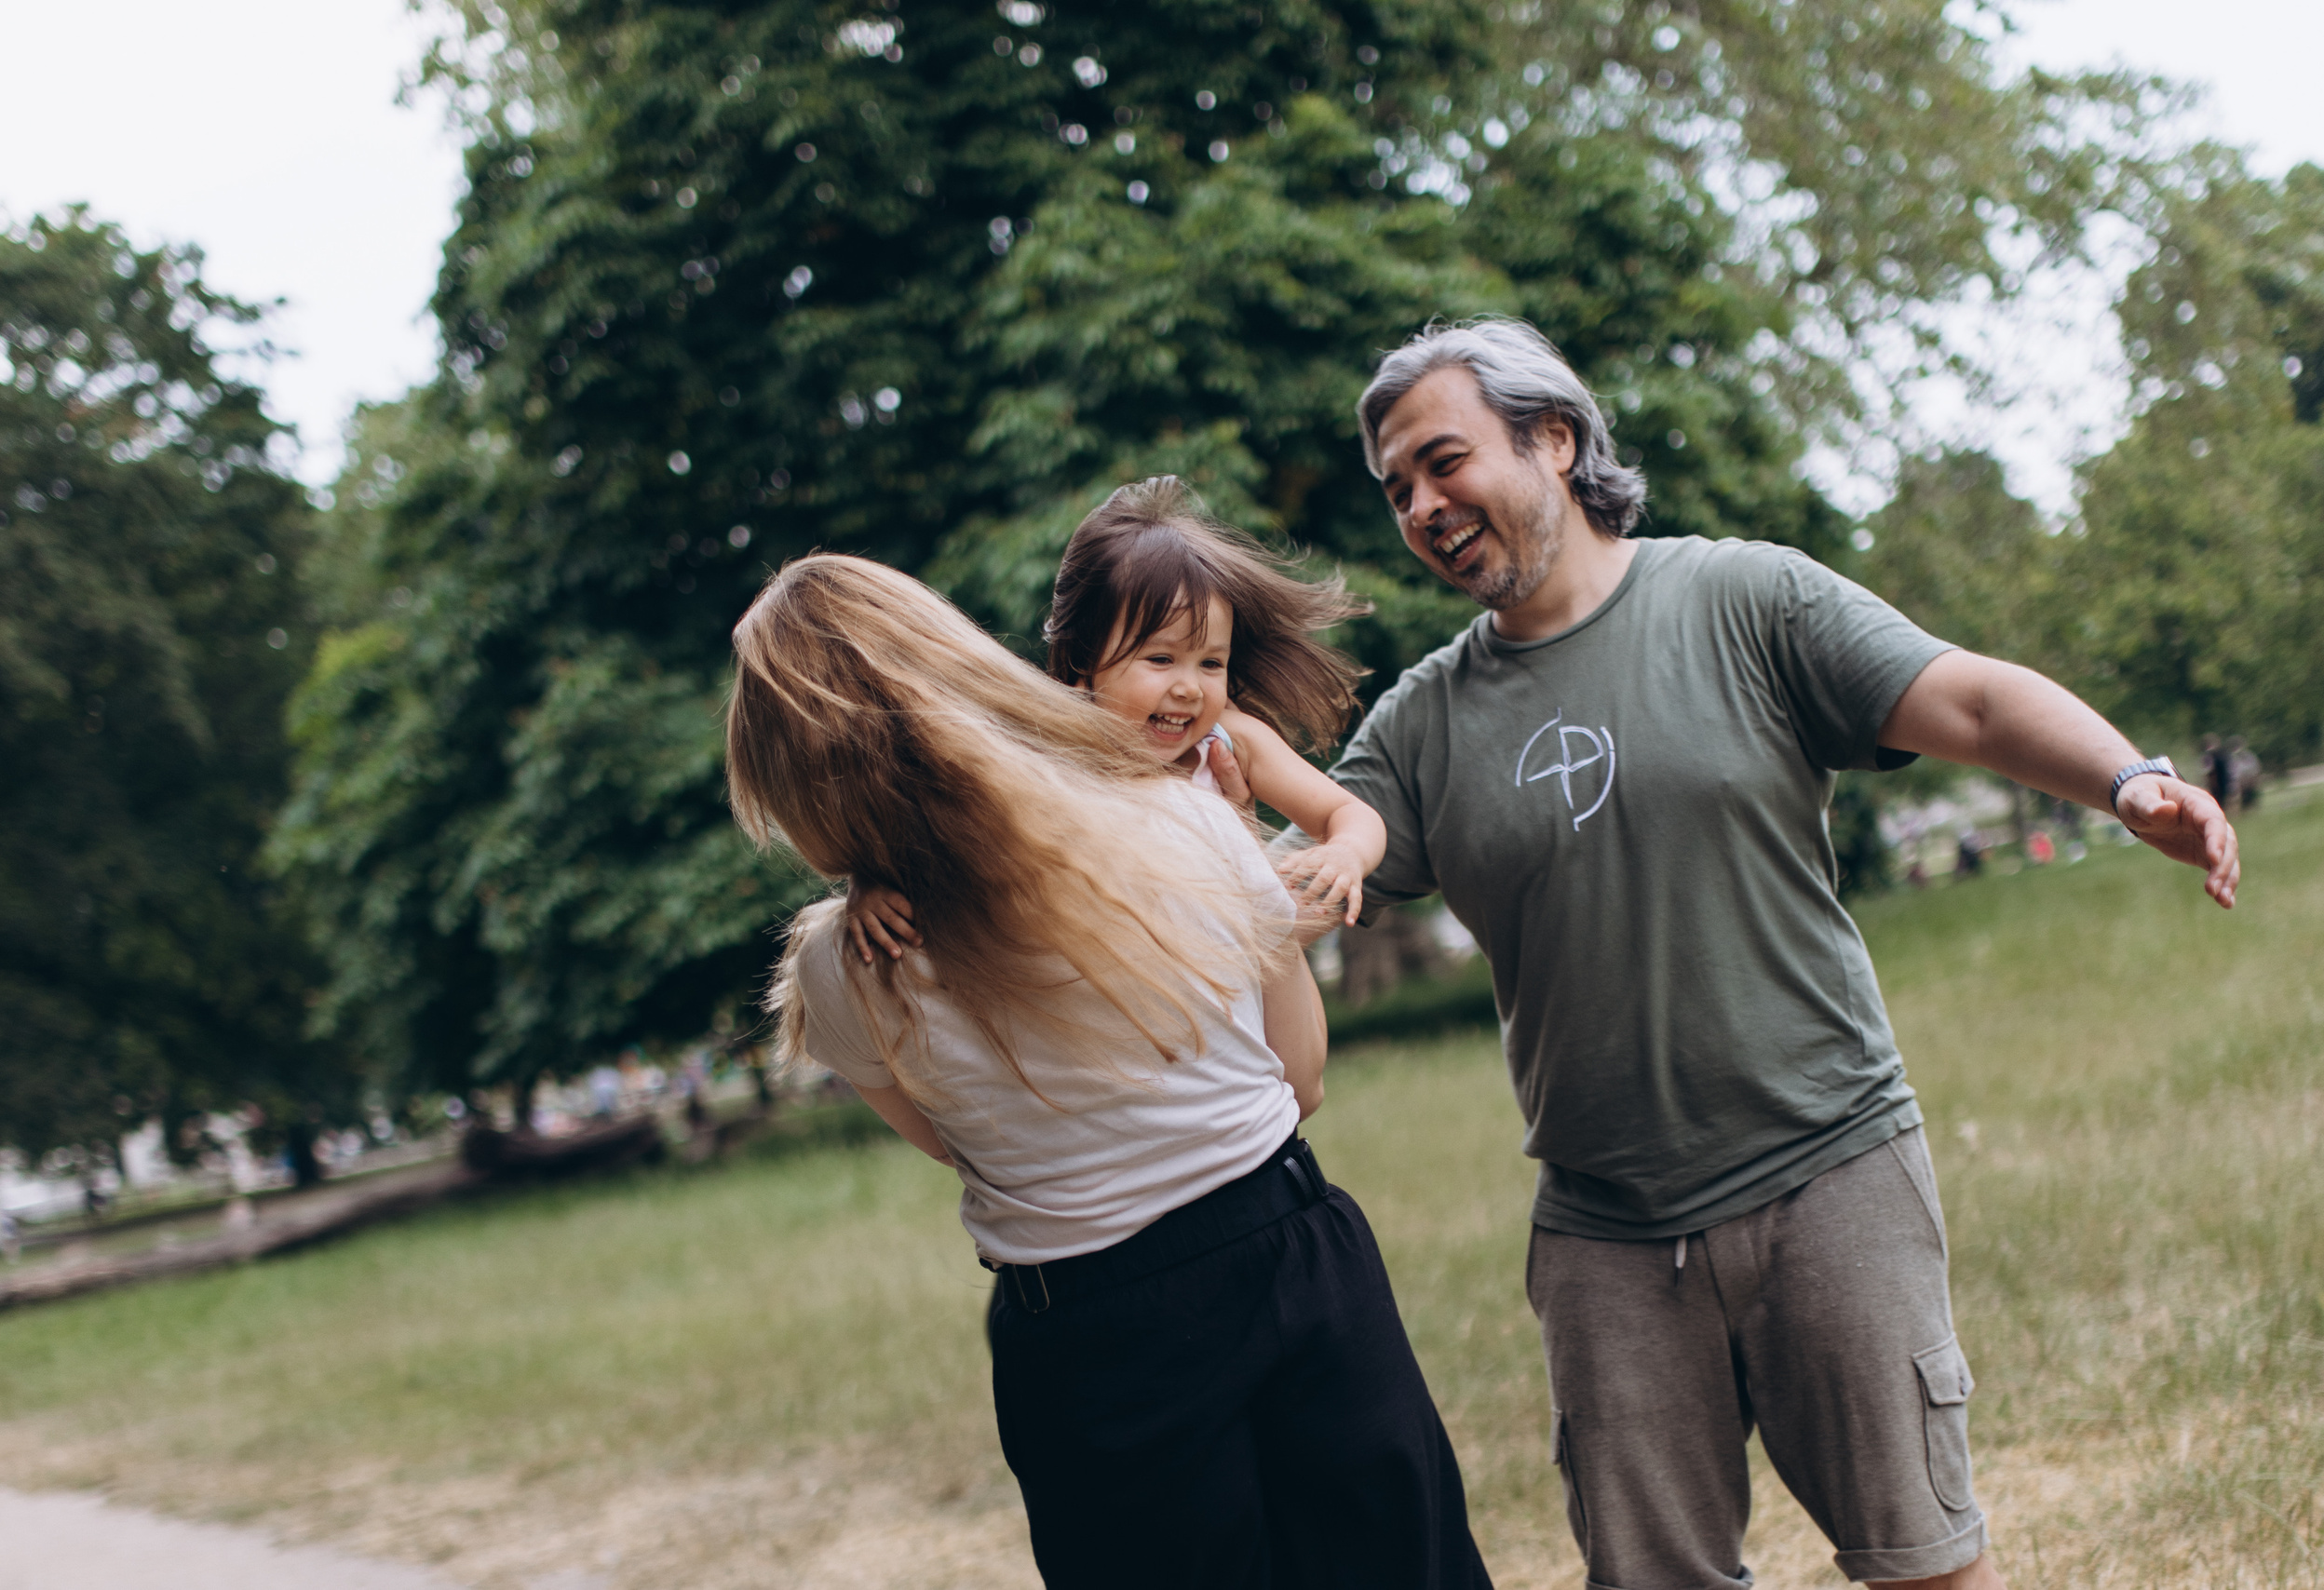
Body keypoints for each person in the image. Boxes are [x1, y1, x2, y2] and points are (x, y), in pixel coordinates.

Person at [1233, 317, 2237, 1590]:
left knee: (1924, 1562)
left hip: (1830, 1173)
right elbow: (1292, 881)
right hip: (1605, 1231)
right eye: (1397, 491)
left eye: (1443, 462)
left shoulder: (1744, 598)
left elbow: (1970, 696)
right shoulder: (1422, 725)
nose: (1423, 507)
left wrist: (2130, 779)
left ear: (1552, 438)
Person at [726, 554, 1492, 1590]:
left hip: (1086, 1332)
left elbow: (957, 1149)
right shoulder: (1171, 815)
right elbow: (1296, 1086)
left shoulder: (838, 967)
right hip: (1282, 1255)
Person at [844, 478, 1387, 963]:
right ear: (1084, 657)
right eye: (1159, 659)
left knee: (1302, 1074)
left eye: (1212, 663)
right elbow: (935, 823)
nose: (1189, 687)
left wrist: (1344, 851)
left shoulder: (1233, 738)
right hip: (1123, 988)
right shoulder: (1054, 746)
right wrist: (868, 882)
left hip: (1236, 974)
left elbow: (1349, 813)